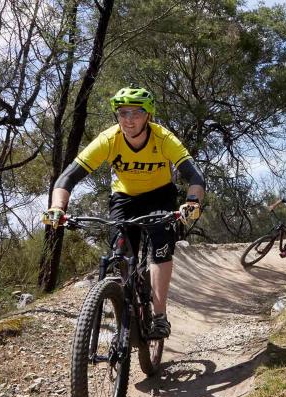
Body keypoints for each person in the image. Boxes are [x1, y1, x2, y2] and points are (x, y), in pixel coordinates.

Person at [42, 86, 206, 339]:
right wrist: (57, 208)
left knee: (161, 246)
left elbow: (195, 175)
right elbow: (67, 177)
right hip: (124, 198)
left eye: (136, 113)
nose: (128, 119)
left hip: (159, 195)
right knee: (120, 253)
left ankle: (159, 315)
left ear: (148, 115)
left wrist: (192, 201)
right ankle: (128, 304)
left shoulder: (162, 138)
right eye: (122, 113)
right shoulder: (109, 139)